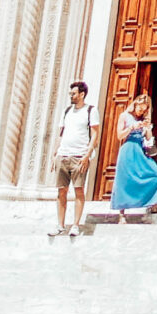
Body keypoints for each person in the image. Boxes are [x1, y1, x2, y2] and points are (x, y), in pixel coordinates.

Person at [50, 80, 96, 238]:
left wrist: (87, 155)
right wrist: (54, 154)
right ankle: (60, 225)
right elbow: (61, 133)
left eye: (74, 93)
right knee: (61, 191)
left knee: (78, 191)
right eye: (70, 93)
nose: (71, 96)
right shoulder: (67, 111)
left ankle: (76, 225)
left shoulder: (90, 111)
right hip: (63, 155)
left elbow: (95, 134)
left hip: (79, 157)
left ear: (82, 94)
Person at [112, 91, 157, 215]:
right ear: (135, 105)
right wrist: (132, 128)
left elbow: (148, 139)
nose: (140, 112)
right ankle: (121, 214)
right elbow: (119, 136)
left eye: (143, 110)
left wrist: (147, 127)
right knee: (124, 180)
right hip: (128, 149)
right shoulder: (124, 116)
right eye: (139, 108)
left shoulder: (142, 119)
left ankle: (153, 204)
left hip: (140, 151)